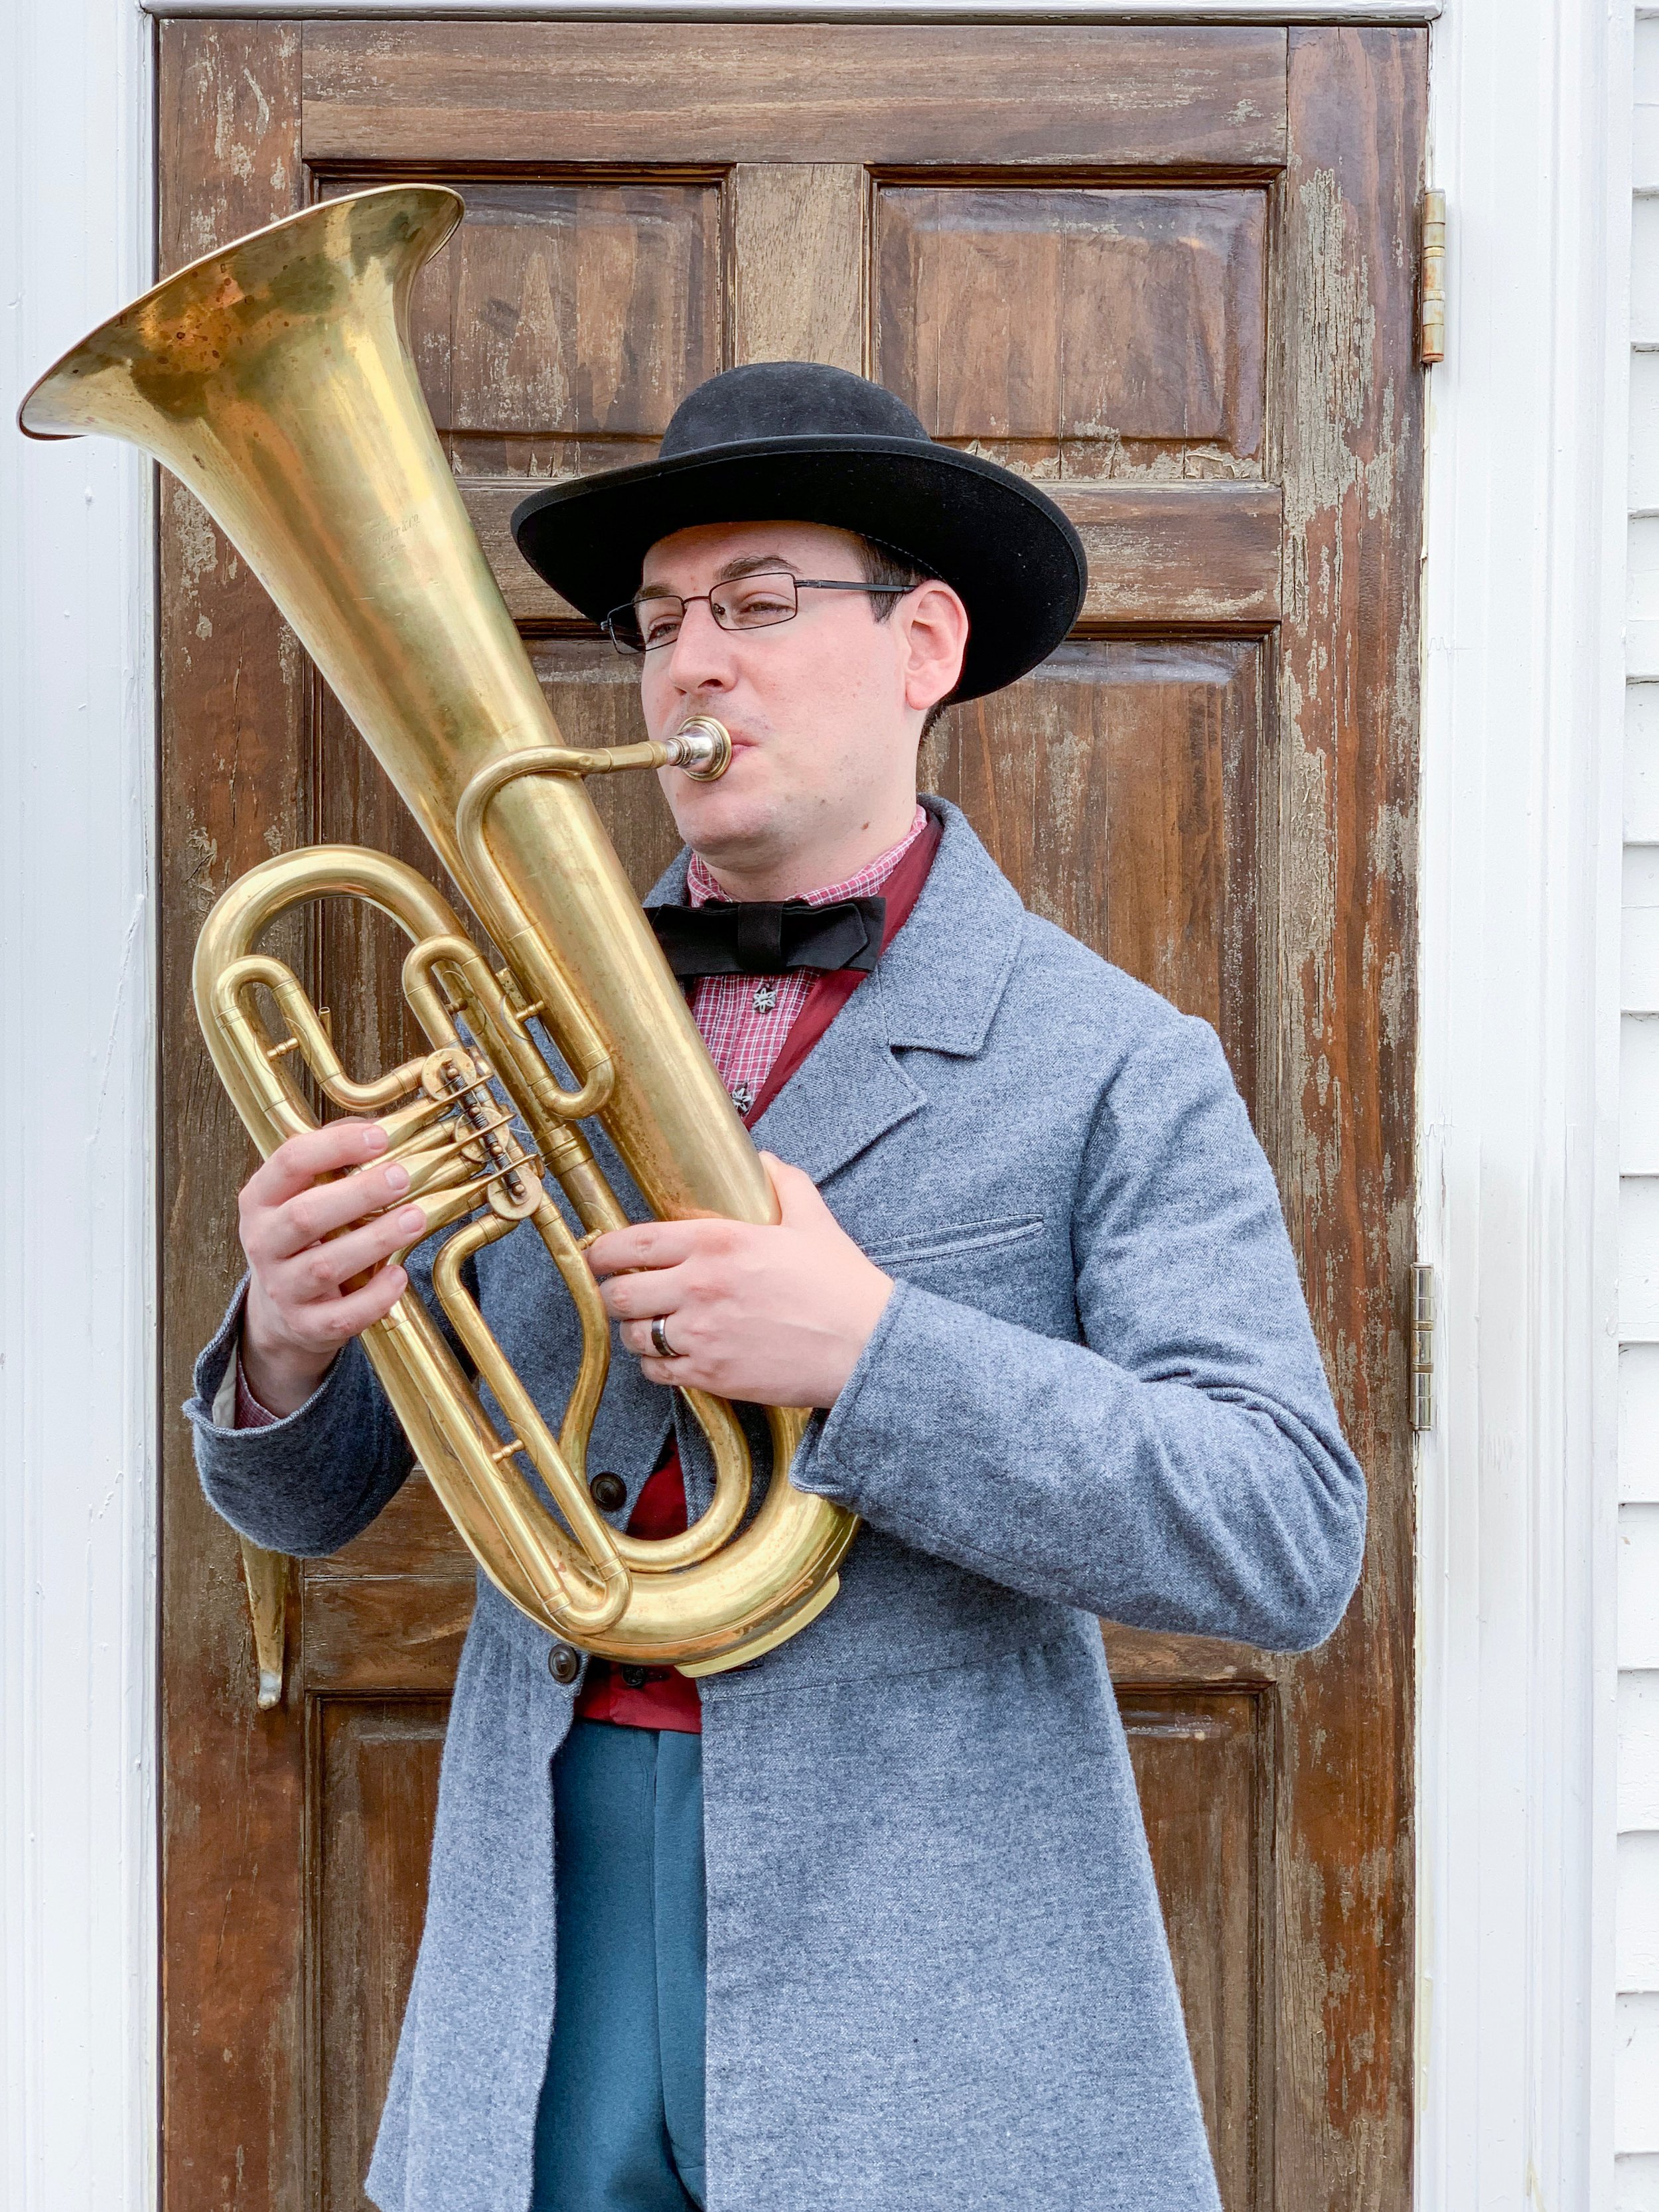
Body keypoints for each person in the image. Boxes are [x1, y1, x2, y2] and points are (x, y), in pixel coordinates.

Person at [187, 362, 1366, 2212]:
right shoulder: (515, 1022)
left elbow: (1283, 1535)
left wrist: (870, 1355)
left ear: (922, 645)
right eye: (657, 624)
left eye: (753, 606)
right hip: (548, 1904)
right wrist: (286, 1336)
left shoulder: (1114, 1059)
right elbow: (310, 1499)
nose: (687, 667)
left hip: (923, 1967)